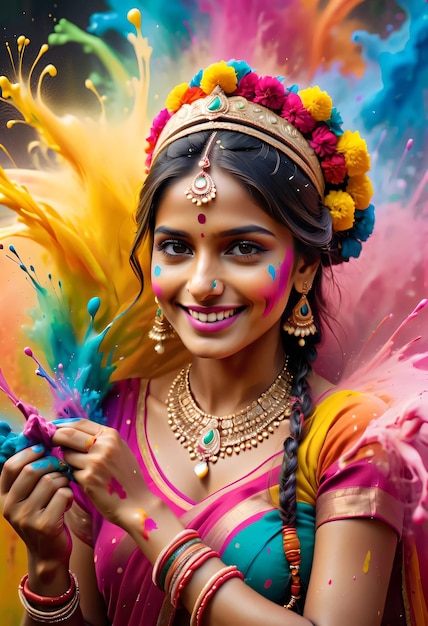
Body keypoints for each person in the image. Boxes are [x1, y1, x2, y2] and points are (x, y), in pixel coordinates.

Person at [0, 59, 424, 626]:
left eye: (243, 249)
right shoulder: (110, 415)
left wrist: (148, 516)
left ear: (302, 267)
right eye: (175, 247)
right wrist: (49, 572)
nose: (201, 283)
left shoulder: (353, 440)